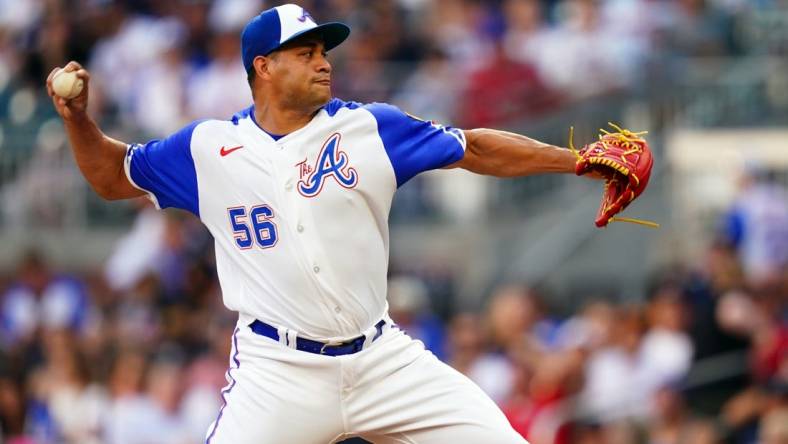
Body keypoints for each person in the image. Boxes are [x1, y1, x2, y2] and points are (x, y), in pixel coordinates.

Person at [47, 4, 596, 443]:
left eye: (323, 51)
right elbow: (112, 175)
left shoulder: (369, 128)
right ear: (263, 66)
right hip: (277, 371)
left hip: (383, 359)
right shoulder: (207, 147)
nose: (323, 62)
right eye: (305, 52)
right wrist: (77, 120)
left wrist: (579, 160)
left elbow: (475, 148)